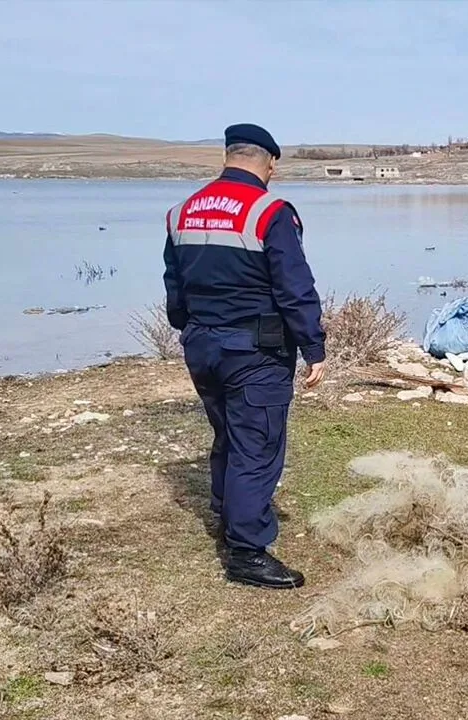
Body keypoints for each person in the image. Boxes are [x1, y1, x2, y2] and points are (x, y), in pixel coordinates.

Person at [162, 123, 327, 590]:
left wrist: (190, 329)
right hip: (255, 350)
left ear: (228, 156)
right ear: (268, 162)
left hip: (202, 344)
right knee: (257, 446)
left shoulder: (183, 211)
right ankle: (247, 551)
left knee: (228, 433)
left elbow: (174, 286)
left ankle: (227, 510)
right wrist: (313, 346)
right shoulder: (269, 211)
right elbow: (294, 286)